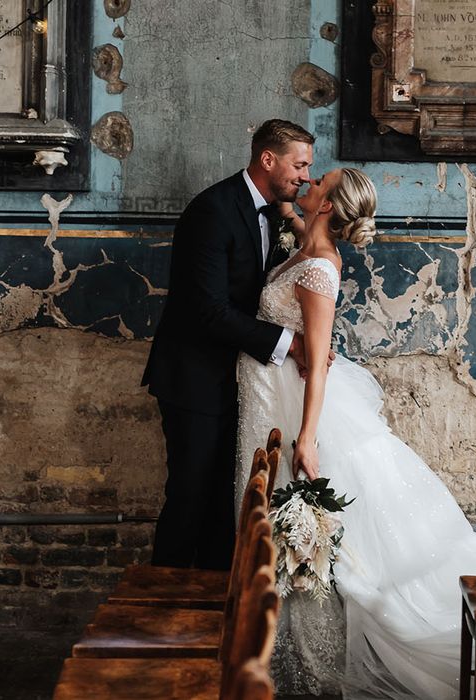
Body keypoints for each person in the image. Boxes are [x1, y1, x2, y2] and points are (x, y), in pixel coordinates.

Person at [236, 168, 476, 698]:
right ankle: (270, 650)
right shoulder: (306, 241)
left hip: (298, 407)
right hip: (269, 395)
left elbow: (317, 364)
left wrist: (308, 438)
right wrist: (289, 209)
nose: (309, 178)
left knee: (312, 533)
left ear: (326, 206)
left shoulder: (319, 268)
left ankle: (309, 661)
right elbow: (299, 220)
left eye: (320, 180)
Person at [142, 119, 315, 569]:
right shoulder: (213, 211)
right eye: (299, 165)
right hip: (194, 379)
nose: (305, 176)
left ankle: (217, 610)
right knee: (189, 498)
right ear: (268, 159)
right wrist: (289, 343)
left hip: (240, 379)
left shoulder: (278, 212)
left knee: (227, 502)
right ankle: (164, 615)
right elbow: (209, 310)